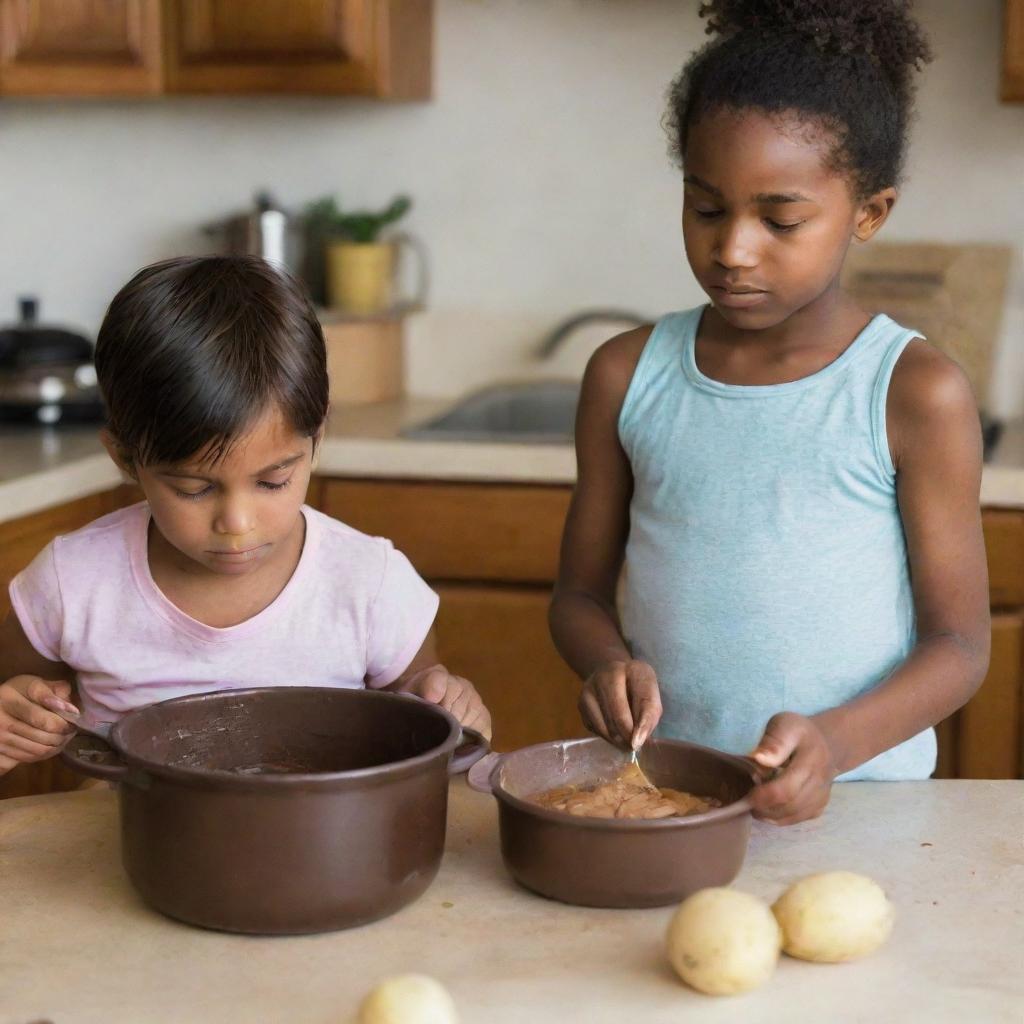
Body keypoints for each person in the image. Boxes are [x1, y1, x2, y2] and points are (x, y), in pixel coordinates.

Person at [549, 0, 990, 824]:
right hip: (671, 796)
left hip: (863, 805)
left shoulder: (912, 393)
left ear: (870, 213)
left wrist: (836, 742)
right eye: (706, 208)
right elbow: (576, 596)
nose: (733, 249)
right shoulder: (624, 376)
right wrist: (606, 663)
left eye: (780, 218)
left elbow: (960, 647)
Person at [0, 256, 491, 775]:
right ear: (125, 459)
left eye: (272, 482)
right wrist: (19, 715)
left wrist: (444, 702)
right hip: (129, 846)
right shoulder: (71, 583)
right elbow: (21, 696)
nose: (236, 523)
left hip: (321, 848)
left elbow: (420, 720)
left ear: (316, 441)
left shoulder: (369, 583)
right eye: (194, 488)